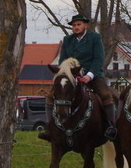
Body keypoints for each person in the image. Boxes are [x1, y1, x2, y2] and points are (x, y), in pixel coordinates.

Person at [41, 14, 118, 142]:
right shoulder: (67, 40)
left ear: (85, 25)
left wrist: (89, 75)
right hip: (72, 77)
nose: (76, 27)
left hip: (93, 76)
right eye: (74, 25)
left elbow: (98, 59)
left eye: (79, 24)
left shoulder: (95, 38)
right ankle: (50, 128)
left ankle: (111, 126)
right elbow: (63, 60)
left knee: (106, 95)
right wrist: (66, 74)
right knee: (50, 96)